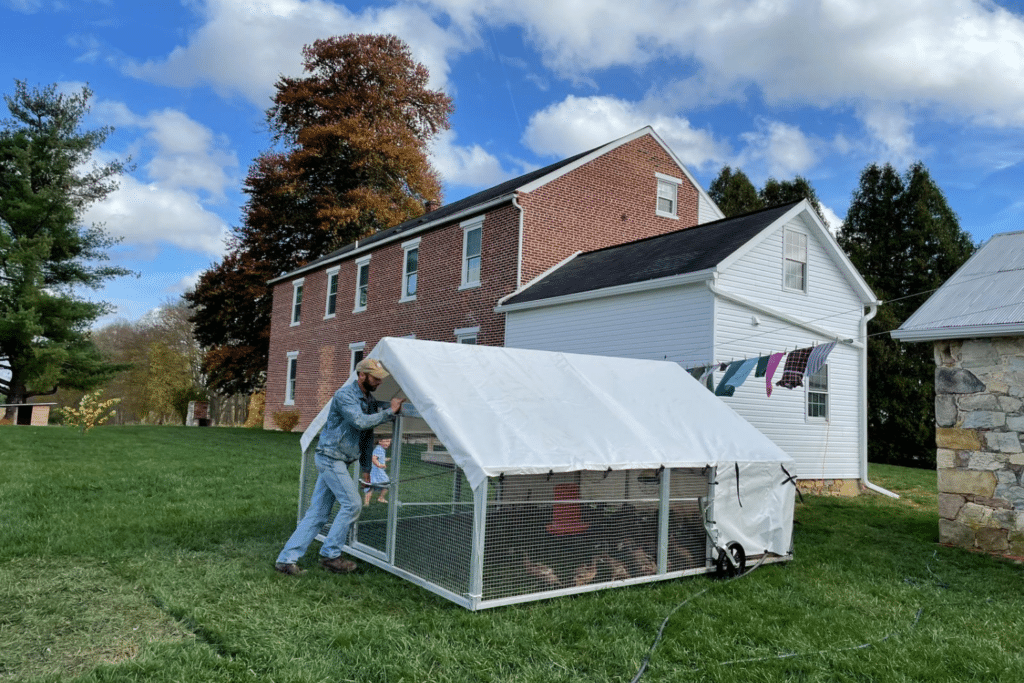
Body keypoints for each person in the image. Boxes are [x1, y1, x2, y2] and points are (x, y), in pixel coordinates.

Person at [274, 357, 404, 576]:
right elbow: (361, 422)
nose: (379, 382)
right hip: (330, 458)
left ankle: (286, 561)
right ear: (361, 375)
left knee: (318, 513)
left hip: (340, 460)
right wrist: (389, 412)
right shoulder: (345, 396)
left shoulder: (368, 399)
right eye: (375, 378)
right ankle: (331, 555)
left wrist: (366, 468)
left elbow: (366, 435)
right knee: (353, 504)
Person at [364, 437, 391, 505]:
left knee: (372, 486)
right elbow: (374, 459)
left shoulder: (381, 449)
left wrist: (385, 459)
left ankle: (368, 502)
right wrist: (380, 465)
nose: (388, 443)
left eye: (389, 441)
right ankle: (379, 498)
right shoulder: (379, 449)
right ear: (380, 441)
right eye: (386, 441)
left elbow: (379, 457)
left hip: (376, 471)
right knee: (386, 483)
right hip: (376, 471)